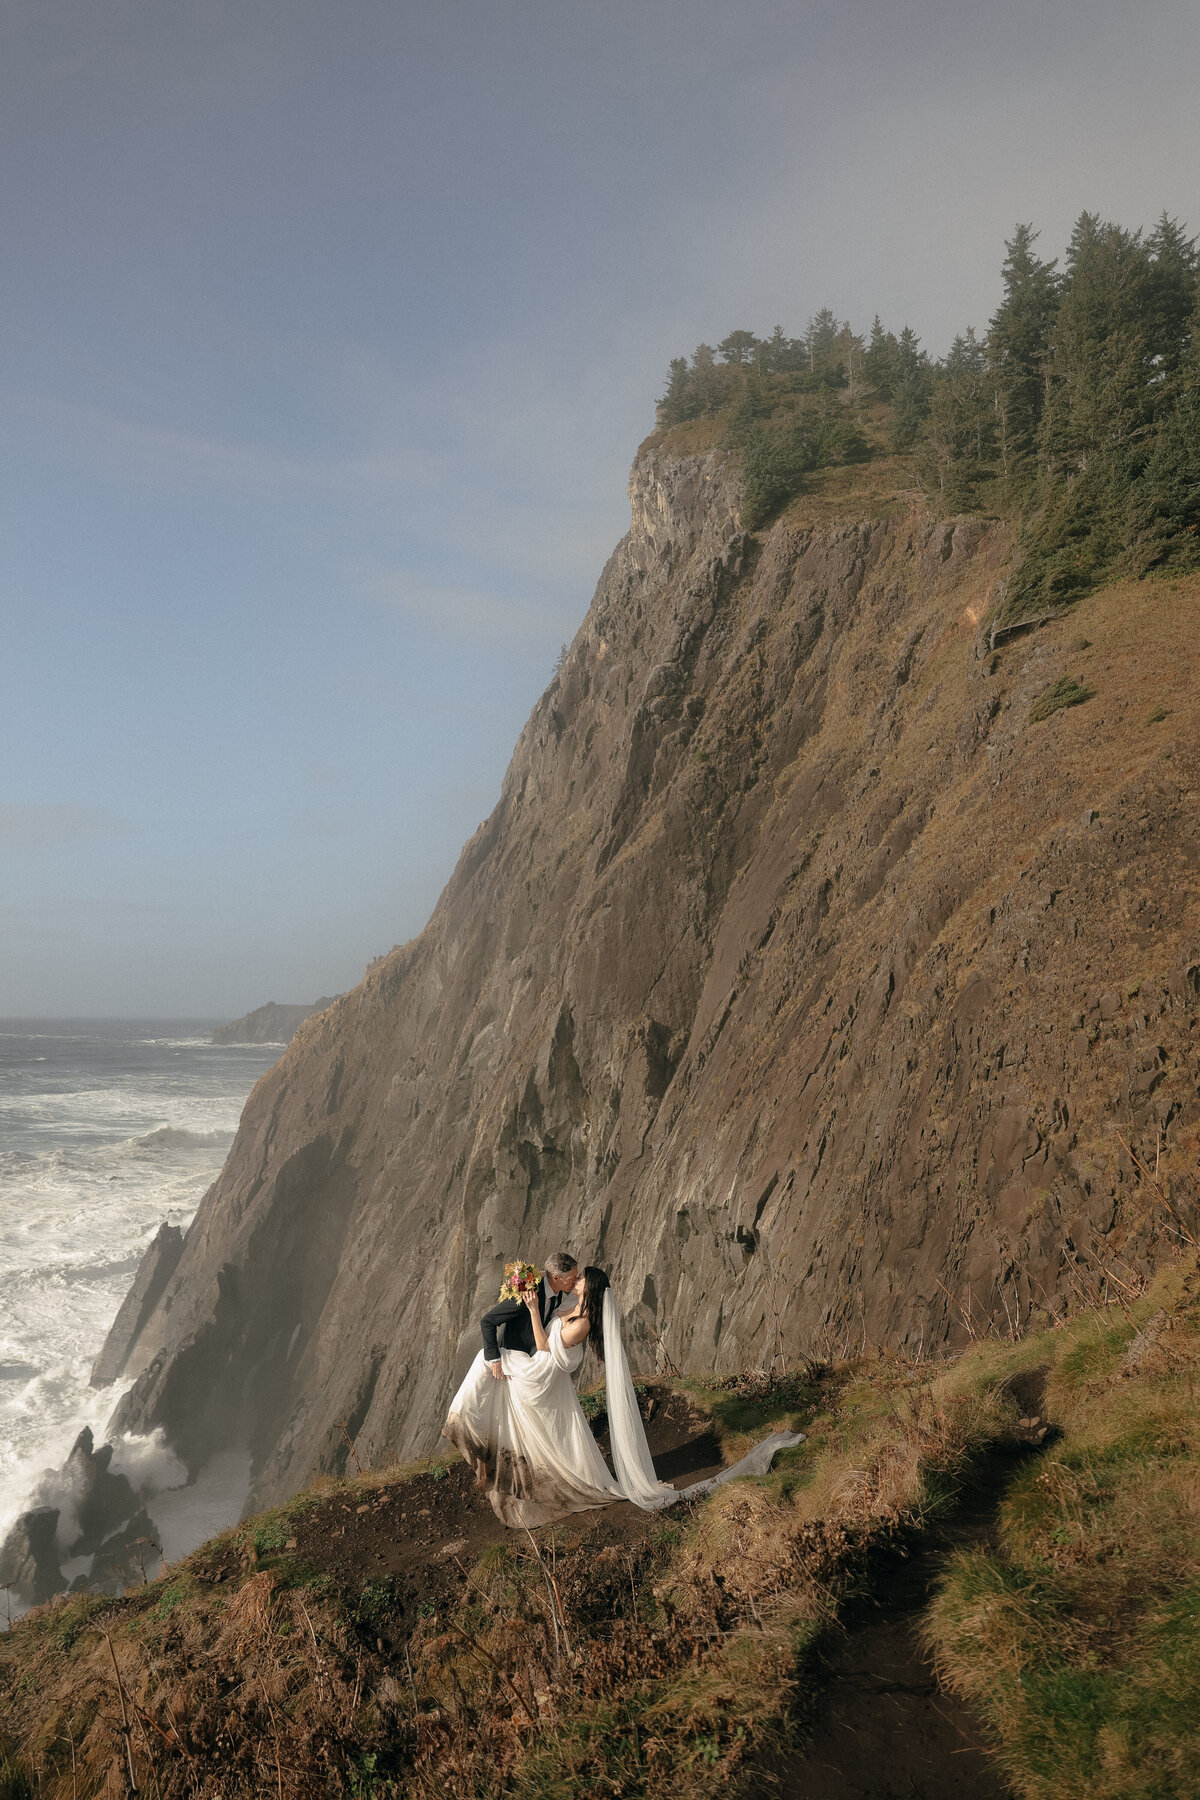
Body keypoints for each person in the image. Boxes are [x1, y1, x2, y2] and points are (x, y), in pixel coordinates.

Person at [442, 1264, 679, 1527]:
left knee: (485, 1360)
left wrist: (532, 1310)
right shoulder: (570, 1303)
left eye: (581, 1278)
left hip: (539, 1373)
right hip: (540, 1369)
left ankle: (461, 1420)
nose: (576, 1279)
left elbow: (544, 1345)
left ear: (589, 1287)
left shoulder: (583, 1324)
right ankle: (465, 1423)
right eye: (575, 1276)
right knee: (551, 1430)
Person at [478, 1250, 578, 1378]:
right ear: (556, 1277)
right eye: (572, 1278)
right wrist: (495, 1360)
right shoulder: (527, 1294)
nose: (575, 1281)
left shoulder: (558, 1292)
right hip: (510, 1362)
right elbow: (487, 1321)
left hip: (531, 1363)